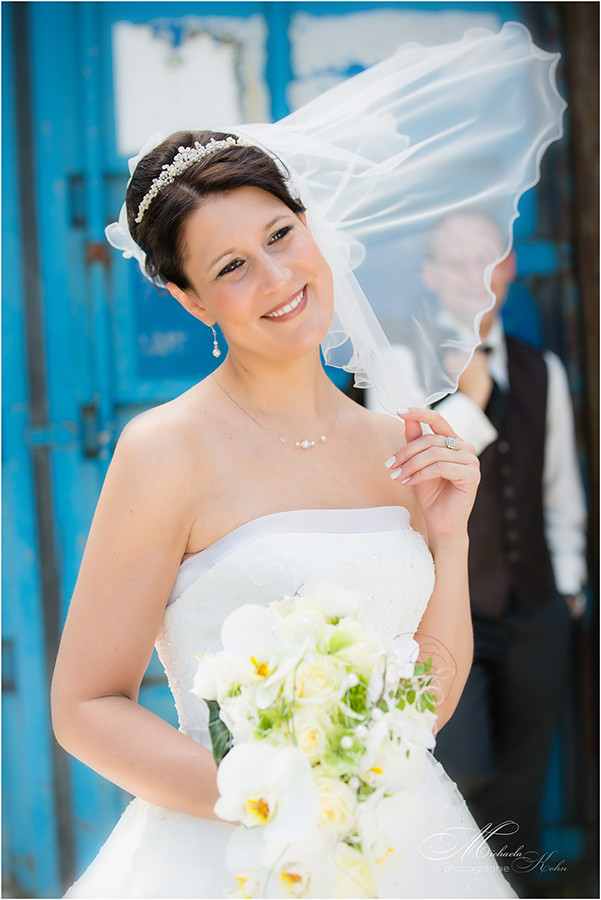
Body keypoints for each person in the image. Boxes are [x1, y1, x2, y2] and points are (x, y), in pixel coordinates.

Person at [50, 23, 564, 899]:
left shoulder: (394, 443)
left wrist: (448, 541)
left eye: (281, 235)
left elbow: (426, 708)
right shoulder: (164, 451)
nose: (277, 278)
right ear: (190, 299)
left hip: (400, 840)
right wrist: (275, 804)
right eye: (231, 266)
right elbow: (85, 707)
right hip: (234, 852)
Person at [424, 210, 588, 895]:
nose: (475, 278)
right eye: (456, 263)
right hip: (446, 614)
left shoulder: (539, 367)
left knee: (523, 785)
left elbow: (559, 491)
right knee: (459, 774)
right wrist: (474, 398)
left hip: (534, 612)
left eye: (487, 260)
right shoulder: (399, 364)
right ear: (431, 276)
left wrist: (567, 590)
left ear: (510, 266)